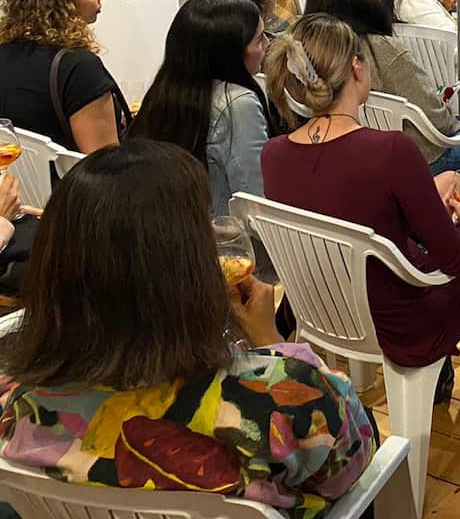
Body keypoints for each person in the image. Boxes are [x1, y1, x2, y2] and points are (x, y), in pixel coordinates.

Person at [0, 139, 377, 516]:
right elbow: (349, 468)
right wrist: (271, 343)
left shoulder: (21, 405)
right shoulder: (287, 396)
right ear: (189, 267)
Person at [260, 14, 460, 392]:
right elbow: (452, 258)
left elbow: (349, 206)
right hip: (399, 318)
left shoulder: (274, 155)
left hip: (323, 306)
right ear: (356, 66)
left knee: (444, 188)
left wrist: (430, 194)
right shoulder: (389, 150)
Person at [304, 0, 460, 173]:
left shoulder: (305, 44)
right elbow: (438, 119)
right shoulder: (379, 48)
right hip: (420, 159)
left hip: (345, 158)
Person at [128, 0, 277, 217]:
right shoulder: (237, 104)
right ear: (228, 54)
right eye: (258, 40)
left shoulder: (162, 93)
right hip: (226, 242)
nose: (266, 44)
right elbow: (254, 199)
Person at [0, 0, 127, 152]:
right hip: (71, 182)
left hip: (16, 182)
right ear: (65, 2)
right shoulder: (78, 67)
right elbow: (104, 164)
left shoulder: (5, 53)